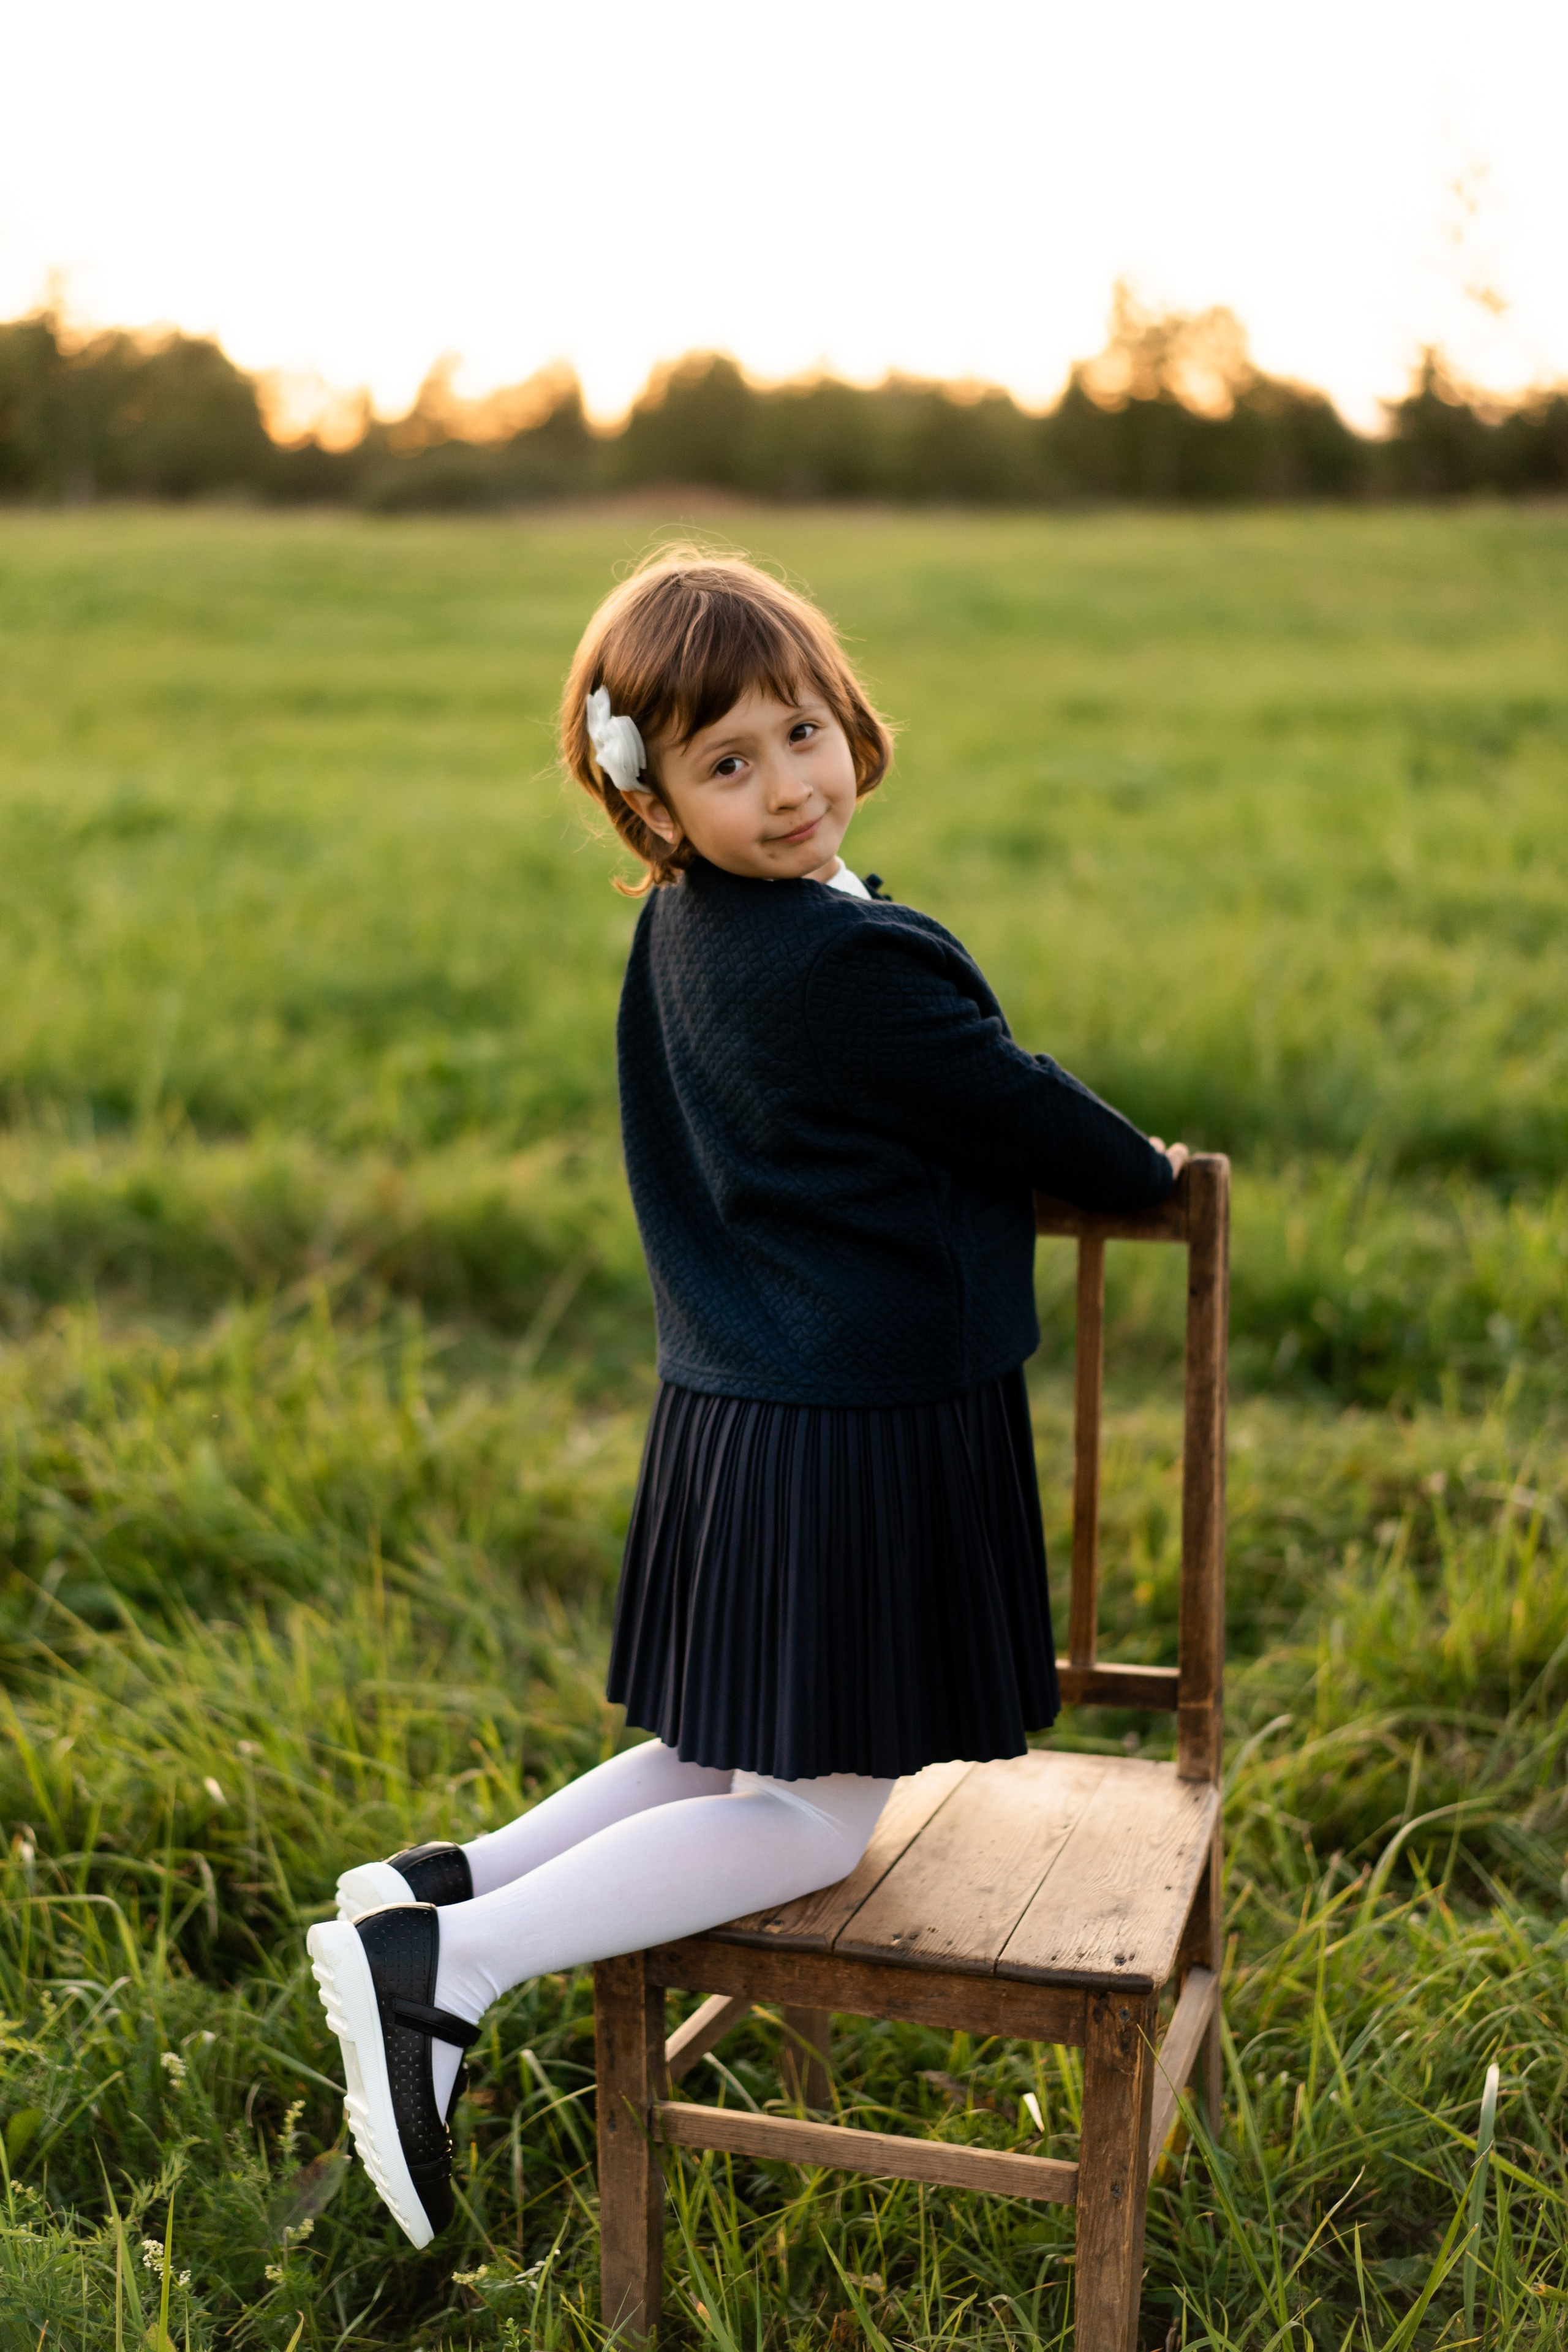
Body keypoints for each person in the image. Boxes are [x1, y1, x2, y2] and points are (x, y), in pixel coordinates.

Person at [307, 549, 1188, 2248]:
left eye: (801, 733)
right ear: (654, 802)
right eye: (728, 762)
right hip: (852, 1426)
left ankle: (433, 1889)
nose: (787, 786)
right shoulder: (846, 964)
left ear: (847, 717)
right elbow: (1020, 1107)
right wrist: (1139, 1169)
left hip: (743, 1405)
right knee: (813, 1820)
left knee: (719, 1752)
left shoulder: (690, 930)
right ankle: (452, 1961)